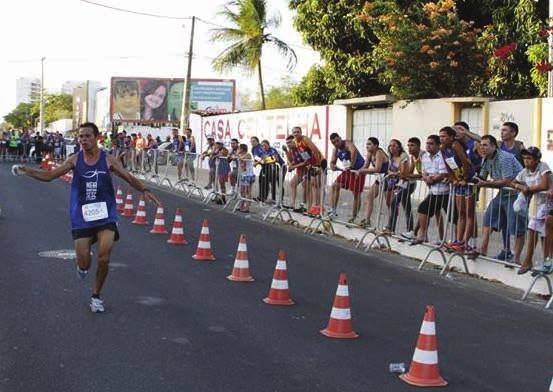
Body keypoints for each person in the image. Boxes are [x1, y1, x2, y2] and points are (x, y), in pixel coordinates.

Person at [12, 122, 160, 313]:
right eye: (81, 136)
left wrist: (144, 189)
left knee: (104, 257)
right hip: (82, 216)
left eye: (87, 136)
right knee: (84, 262)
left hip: (105, 214)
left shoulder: (108, 160)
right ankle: (81, 266)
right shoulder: (74, 160)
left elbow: (127, 177)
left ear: (97, 138)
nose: (83, 140)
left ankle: (96, 296)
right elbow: (50, 176)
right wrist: (28, 171)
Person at [477, 135, 526, 263]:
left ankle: (515, 258)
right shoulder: (486, 159)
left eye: (485, 145)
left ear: (494, 146)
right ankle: (482, 249)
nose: (482, 148)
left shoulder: (503, 157)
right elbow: (481, 177)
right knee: (488, 218)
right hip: (503, 192)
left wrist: (486, 184)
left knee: (516, 226)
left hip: (517, 193)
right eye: (481, 145)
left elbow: (507, 180)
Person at [511, 147, 552, 274]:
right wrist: (520, 186)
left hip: (549, 204)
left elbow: (544, 185)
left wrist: (528, 189)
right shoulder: (525, 172)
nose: (526, 161)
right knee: (534, 231)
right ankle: (531, 261)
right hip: (539, 205)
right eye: (524, 158)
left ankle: (543, 262)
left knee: (544, 234)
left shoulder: (543, 167)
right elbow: (513, 182)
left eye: (529, 158)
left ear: (536, 160)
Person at [409, 135, 451, 245]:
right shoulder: (424, 157)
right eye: (427, 143)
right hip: (434, 191)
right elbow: (423, 171)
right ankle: (422, 234)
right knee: (423, 209)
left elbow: (443, 173)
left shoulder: (441, 156)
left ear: (438, 145)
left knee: (453, 217)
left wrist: (432, 179)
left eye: (431, 144)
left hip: (445, 191)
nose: (428, 146)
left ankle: (456, 241)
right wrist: (426, 177)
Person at [439, 126, 474, 252]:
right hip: (458, 180)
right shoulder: (442, 149)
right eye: (440, 136)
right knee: (461, 213)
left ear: (451, 137)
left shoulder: (455, 146)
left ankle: (465, 242)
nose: (441, 139)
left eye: (444, 136)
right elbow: (447, 165)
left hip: (468, 179)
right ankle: (458, 240)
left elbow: (465, 162)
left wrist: (464, 178)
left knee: (469, 213)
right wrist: (453, 178)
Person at [328, 133, 365, 222]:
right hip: (348, 171)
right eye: (334, 143)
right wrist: (332, 166)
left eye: (337, 141)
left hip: (357, 171)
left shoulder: (347, 143)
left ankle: (354, 217)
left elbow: (354, 152)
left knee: (356, 194)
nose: (336, 143)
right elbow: (332, 161)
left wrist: (351, 166)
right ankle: (333, 210)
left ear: (340, 138)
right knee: (335, 185)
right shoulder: (335, 150)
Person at [357, 137, 389, 228]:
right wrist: (357, 171)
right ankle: (367, 220)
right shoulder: (369, 153)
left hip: (388, 179)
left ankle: (391, 224)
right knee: (369, 196)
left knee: (389, 203)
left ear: (376, 145)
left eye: (369, 144)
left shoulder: (379, 153)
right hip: (380, 179)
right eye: (366, 144)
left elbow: (377, 169)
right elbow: (365, 166)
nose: (367, 146)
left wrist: (363, 171)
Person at [292, 126, 323, 213]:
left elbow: (315, 150)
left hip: (317, 163)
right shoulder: (295, 142)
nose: (296, 134)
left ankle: (317, 208)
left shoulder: (305, 139)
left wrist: (318, 165)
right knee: (308, 185)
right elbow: (304, 154)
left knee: (315, 185)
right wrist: (308, 163)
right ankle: (311, 208)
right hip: (311, 164)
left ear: (301, 132)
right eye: (294, 132)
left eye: (298, 132)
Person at [283, 135, 307, 211]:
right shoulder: (291, 150)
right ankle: (292, 204)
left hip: (308, 170)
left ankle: (305, 205)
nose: (288, 144)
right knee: (293, 183)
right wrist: (286, 152)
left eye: (290, 142)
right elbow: (291, 160)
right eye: (287, 143)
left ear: (294, 141)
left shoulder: (300, 148)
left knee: (305, 186)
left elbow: (306, 161)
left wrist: (293, 166)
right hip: (300, 170)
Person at [237, 143, 255, 213]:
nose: (238, 150)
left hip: (249, 175)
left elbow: (242, 158)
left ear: (242, 149)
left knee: (248, 191)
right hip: (243, 175)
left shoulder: (248, 154)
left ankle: (247, 207)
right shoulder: (240, 154)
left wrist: (237, 155)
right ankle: (241, 205)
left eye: (239, 148)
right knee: (242, 191)